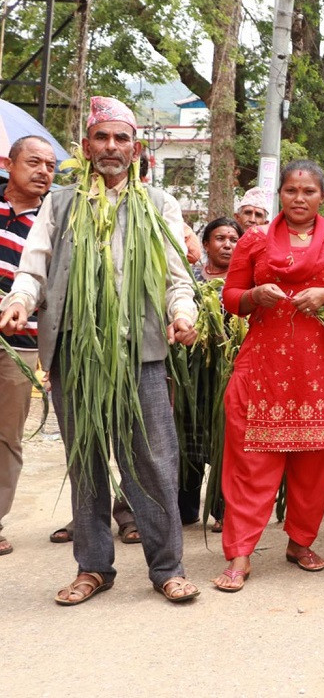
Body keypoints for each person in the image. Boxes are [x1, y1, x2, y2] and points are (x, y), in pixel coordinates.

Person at [0, 97, 201, 604]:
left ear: (135, 149)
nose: (111, 147)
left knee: (153, 460)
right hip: (75, 352)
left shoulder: (159, 205)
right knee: (85, 458)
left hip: (143, 353)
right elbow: (35, 264)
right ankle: (93, 567)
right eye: (102, 138)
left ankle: (167, 568)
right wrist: (21, 300)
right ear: (86, 146)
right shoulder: (61, 202)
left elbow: (179, 278)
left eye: (121, 139)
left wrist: (184, 316)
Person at [212, 160, 324, 593]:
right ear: (280, 194)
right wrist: (254, 295)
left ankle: (300, 543)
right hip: (263, 369)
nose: (300, 198)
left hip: (317, 369)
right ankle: (240, 554)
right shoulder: (255, 241)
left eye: (309, 191)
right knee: (251, 462)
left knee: (315, 464)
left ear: (322, 197)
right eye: (292, 190)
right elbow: (230, 296)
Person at [0, 135, 56, 557]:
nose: (43, 172)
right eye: (34, 162)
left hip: (20, 345)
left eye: (50, 166)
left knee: (6, 436)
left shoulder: (53, 220)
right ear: (9, 163)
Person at [177, 216, 244, 530]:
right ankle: (185, 507)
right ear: (205, 244)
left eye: (233, 239)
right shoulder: (190, 278)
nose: (227, 244)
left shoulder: (245, 280)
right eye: (220, 238)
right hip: (191, 369)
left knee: (223, 436)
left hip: (228, 370)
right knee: (188, 432)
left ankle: (223, 508)